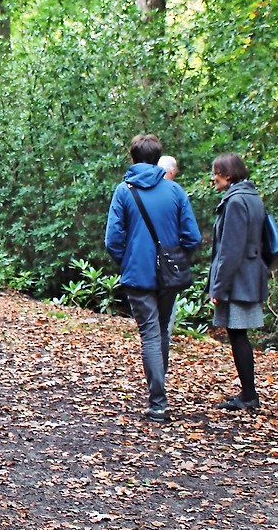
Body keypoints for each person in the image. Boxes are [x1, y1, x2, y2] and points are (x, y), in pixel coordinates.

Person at [105, 134, 202, 423]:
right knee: (160, 331)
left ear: (132, 157)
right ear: (158, 157)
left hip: (138, 274)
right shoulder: (174, 191)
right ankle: (158, 397)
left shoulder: (124, 191)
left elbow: (113, 239)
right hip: (168, 276)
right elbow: (192, 237)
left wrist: (128, 262)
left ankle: (158, 402)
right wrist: (177, 258)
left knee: (149, 333)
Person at [207, 153, 268, 411]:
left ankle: (249, 395)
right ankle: (248, 393)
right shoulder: (252, 197)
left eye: (216, 173)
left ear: (228, 174)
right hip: (250, 275)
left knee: (238, 334)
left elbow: (230, 250)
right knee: (237, 333)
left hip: (239, 280)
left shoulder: (235, 201)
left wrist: (218, 288)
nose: (213, 178)